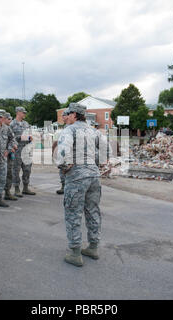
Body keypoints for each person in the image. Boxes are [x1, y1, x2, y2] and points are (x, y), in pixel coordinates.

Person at [56, 103, 108, 267]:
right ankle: (93, 247)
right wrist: (94, 164)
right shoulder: (94, 131)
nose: (66, 117)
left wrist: (65, 167)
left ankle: (75, 252)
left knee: (73, 213)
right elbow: (108, 151)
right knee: (93, 211)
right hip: (94, 176)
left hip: (77, 177)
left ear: (74, 115)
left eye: (68, 114)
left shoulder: (69, 130)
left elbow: (62, 153)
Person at [10, 106, 36, 197]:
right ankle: (16, 188)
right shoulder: (12, 124)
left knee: (27, 170)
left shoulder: (26, 124)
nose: (24, 114)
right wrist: (22, 137)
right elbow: (10, 138)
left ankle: (25, 187)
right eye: (23, 112)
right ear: (18, 113)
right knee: (16, 170)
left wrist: (31, 138)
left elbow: (30, 135)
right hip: (17, 151)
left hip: (26, 151)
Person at [53, 109, 70, 195]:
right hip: (62, 153)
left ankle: (67, 187)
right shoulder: (65, 127)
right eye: (62, 115)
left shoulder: (71, 127)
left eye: (64, 115)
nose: (63, 117)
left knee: (67, 170)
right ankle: (64, 186)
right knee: (62, 170)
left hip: (68, 154)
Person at [3, 112, 19, 201]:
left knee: (9, 174)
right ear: (4, 119)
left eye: (11, 119)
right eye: (9, 119)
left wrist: (13, 146)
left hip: (9, 156)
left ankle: (7, 192)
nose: (10, 120)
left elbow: (13, 140)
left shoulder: (9, 129)